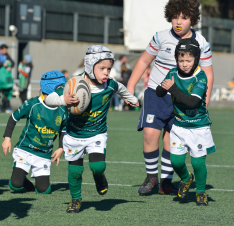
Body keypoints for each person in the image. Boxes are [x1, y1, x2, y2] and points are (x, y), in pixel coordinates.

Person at [127, 0, 214, 196]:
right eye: (175, 16)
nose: (178, 21)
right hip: (156, 94)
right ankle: (151, 177)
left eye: (184, 17)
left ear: (193, 19)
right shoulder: (160, 37)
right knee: (150, 133)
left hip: (181, 98)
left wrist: (204, 99)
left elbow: (208, 73)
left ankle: (166, 182)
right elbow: (143, 60)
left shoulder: (201, 43)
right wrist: (130, 87)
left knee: (170, 139)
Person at [45, 45, 139, 213]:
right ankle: (75, 199)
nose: (106, 72)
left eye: (109, 69)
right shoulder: (73, 83)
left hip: (97, 133)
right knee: (75, 171)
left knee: (98, 166)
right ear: (89, 66)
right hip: (74, 134)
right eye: (102, 68)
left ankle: (99, 177)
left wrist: (130, 98)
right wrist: (63, 100)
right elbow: (49, 98)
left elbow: (121, 88)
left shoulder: (109, 85)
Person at [156, 38, 215, 206]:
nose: (184, 64)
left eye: (188, 60)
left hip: (199, 127)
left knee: (197, 162)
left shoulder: (200, 77)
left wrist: (172, 88)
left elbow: (192, 102)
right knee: (176, 162)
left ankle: (201, 192)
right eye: (181, 60)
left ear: (196, 59)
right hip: (180, 126)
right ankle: (186, 178)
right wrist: (164, 86)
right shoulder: (173, 73)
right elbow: (160, 92)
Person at [2, 70, 68, 194]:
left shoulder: (63, 110)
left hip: (43, 154)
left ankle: (30, 178)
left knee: (44, 190)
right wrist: (7, 138)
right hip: (25, 149)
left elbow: (63, 130)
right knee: (16, 184)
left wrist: (61, 148)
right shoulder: (33, 104)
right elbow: (13, 118)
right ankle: (21, 176)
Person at [0, 43, 15, 113]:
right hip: (1, 79)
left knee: (6, 93)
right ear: (1, 49)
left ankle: (7, 107)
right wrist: (3, 64)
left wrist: (10, 66)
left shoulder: (6, 55)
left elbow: (12, 63)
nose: (6, 51)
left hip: (5, 79)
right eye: (5, 49)